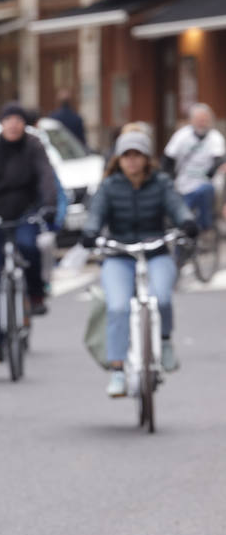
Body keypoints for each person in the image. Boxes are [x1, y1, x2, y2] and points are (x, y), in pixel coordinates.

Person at [81, 129, 196, 397]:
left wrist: (186, 221)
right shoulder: (109, 186)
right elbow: (95, 214)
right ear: (118, 160)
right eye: (126, 156)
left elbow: (177, 206)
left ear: (147, 159)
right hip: (118, 254)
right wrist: (90, 232)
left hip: (156, 251)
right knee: (118, 307)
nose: (132, 161)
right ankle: (118, 371)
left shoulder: (161, 183)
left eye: (137, 155)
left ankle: (165, 341)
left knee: (162, 298)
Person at [0, 101, 60, 363]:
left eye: (19, 120)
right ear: (2, 123)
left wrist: (49, 205)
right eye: (9, 119)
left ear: (24, 124)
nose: (14, 124)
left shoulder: (33, 146)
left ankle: (36, 293)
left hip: (26, 213)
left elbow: (46, 176)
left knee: (29, 246)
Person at [162, 103, 225, 235]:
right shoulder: (181, 136)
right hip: (183, 182)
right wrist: (169, 178)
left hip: (205, 183)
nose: (202, 123)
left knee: (205, 190)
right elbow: (168, 158)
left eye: (205, 120)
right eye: (199, 119)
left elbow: (218, 159)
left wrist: (209, 174)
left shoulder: (215, 138)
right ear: (191, 120)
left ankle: (205, 227)